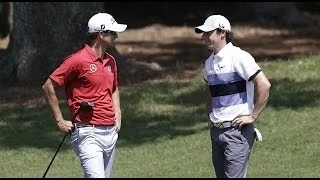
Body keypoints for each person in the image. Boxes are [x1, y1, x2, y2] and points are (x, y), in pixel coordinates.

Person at [41, 12, 127, 178]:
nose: (116, 36)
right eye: (112, 32)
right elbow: (48, 86)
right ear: (101, 34)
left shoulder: (111, 61)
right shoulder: (77, 60)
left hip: (110, 131)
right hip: (88, 133)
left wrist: (118, 113)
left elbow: (114, 88)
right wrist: (59, 120)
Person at [195, 15, 271, 178]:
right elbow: (209, 91)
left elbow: (264, 85)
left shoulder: (239, 57)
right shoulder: (209, 63)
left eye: (208, 33)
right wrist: (210, 115)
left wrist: (253, 116)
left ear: (222, 32)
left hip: (237, 132)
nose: (204, 37)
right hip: (216, 132)